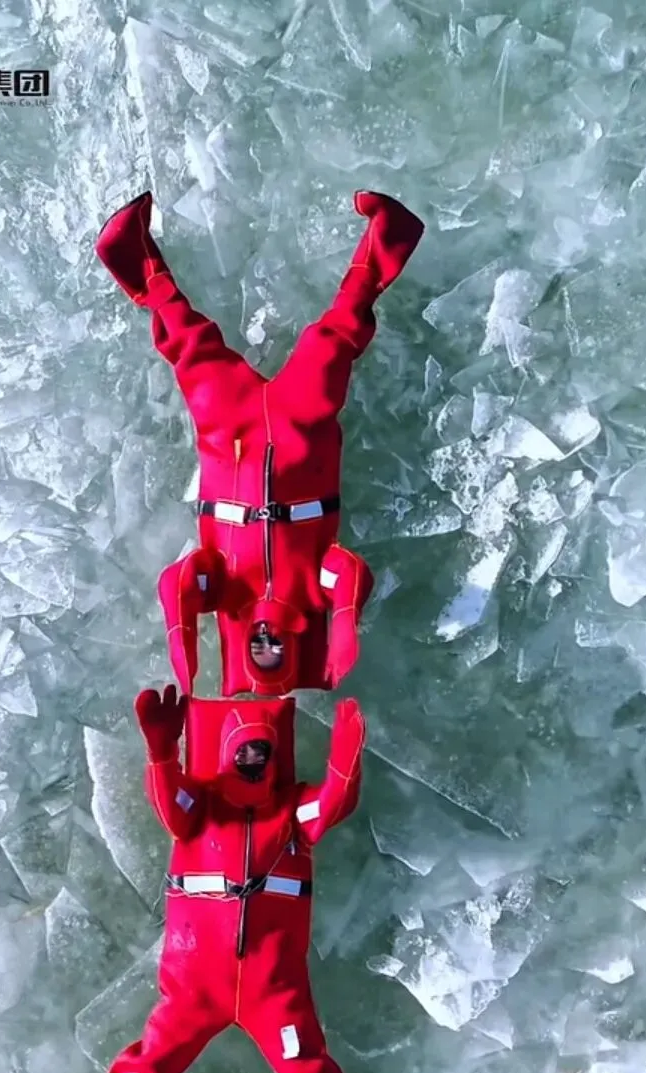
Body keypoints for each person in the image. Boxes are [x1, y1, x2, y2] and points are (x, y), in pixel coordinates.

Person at [42, 686, 409, 1073]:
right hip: (195, 987)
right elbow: (170, 803)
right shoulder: (201, 807)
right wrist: (162, 751)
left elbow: (327, 807)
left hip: (273, 992)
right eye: (244, 751)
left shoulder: (291, 813)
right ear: (228, 752)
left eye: (262, 751)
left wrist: (343, 766)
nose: (253, 760)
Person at [96, 189, 424, 695]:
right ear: (294, 646)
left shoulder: (222, 592)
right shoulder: (315, 591)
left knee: (192, 347)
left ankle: (137, 263)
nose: (267, 643)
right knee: (331, 342)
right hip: (302, 429)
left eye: (259, 651)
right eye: (277, 653)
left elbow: (179, 581)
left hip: (228, 433)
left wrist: (183, 636)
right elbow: (347, 572)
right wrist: (342, 624)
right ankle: (387, 238)